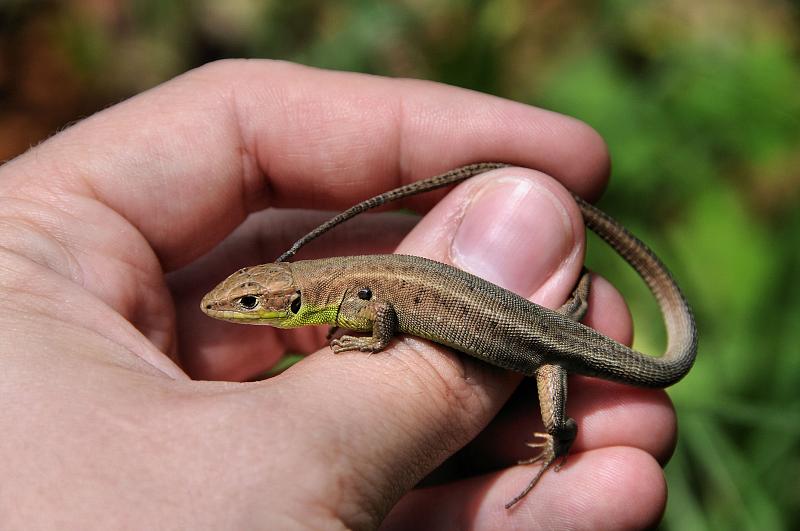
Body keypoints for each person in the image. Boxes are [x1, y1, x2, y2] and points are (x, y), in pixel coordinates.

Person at [0, 60, 675, 529]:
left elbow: (381, 320)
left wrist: (357, 340)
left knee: (558, 384)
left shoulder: (351, 298)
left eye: (250, 302)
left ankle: (560, 436)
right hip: (544, 336)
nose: (234, 306)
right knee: (568, 363)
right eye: (246, 300)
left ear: (291, 301)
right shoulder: (325, 288)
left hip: (542, 349)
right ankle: (572, 329)